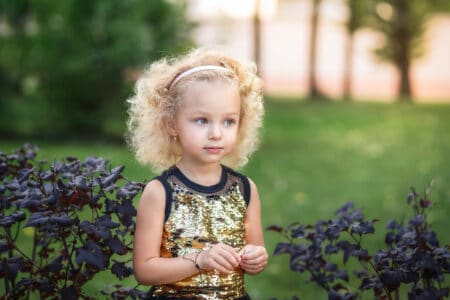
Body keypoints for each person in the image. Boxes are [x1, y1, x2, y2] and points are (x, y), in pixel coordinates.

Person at [126, 48, 268, 299]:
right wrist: (200, 260)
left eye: (228, 121)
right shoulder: (160, 192)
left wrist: (255, 258)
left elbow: (254, 250)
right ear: (172, 123)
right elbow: (144, 269)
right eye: (202, 120)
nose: (216, 133)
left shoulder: (245, 189)